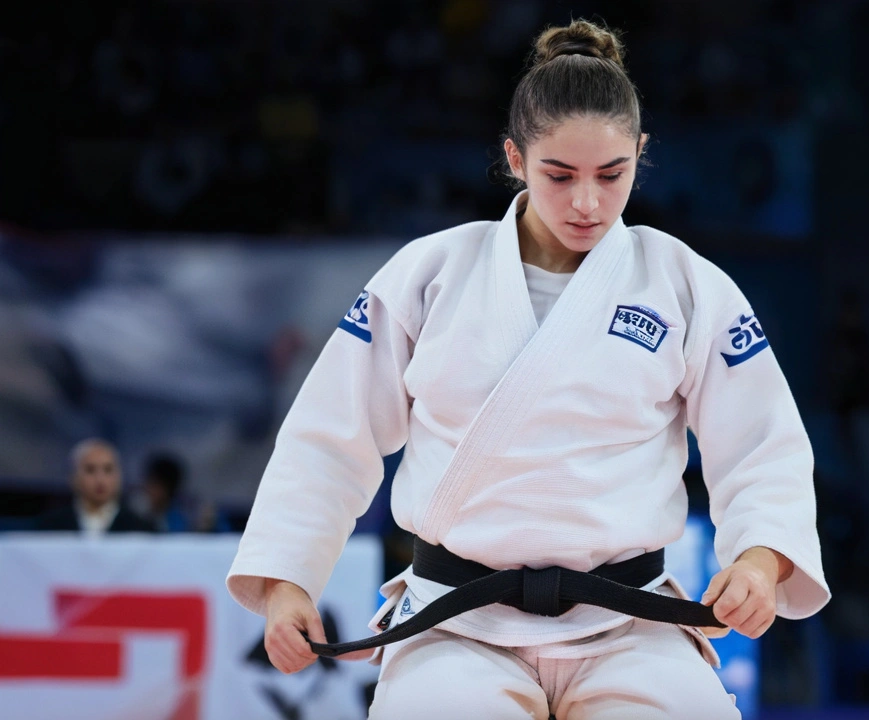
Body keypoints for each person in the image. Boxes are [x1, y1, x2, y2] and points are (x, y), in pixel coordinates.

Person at [227, 20, 828, 719]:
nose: (587, 202)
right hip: (456, 622)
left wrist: (760, 559)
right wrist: (287, 581)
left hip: (630, 626)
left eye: (612, 174)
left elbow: (761, 443)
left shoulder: (685, 284)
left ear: (640, 153)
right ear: (514, 157)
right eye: (559, 174)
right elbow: (331, 436)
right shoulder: (431, 274)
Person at [36, 438, 156, 535]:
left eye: (108, 470)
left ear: (119, 476)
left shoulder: (143, 530)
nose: (100, 479)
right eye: (90, 470)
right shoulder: (49, 528)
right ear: (74, 478)